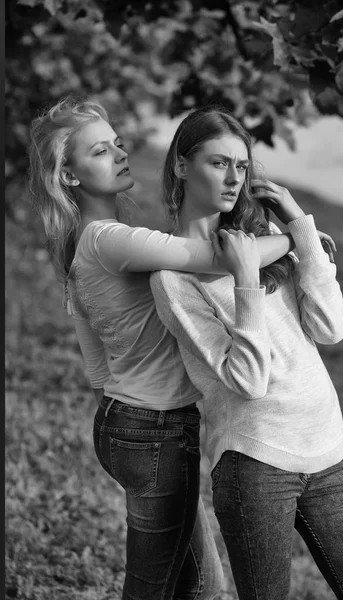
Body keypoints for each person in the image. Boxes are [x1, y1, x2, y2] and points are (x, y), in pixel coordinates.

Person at [27, 96, 326, 600]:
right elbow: (221, 258)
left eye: (117, 143)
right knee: (161, 586)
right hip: (156, 431)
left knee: (199, 583)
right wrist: (300, 237)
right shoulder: (109, 239)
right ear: (70, 177)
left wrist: (130, 413)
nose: (120, 153)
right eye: (100, 151)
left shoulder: (80, 245)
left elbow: (96, 368)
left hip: (125, 423)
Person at [150, 106, 343, 600]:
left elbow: (330, 329)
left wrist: (298, 226)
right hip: (255, 464)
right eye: (219, 163)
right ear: (180, 165)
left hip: (327, 454)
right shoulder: (172, 278)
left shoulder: (269, 244)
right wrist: (244, 282)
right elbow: (247, 380)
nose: (233, 178)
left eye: (242, 166)